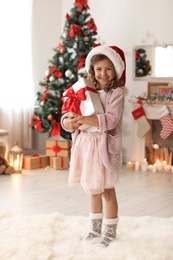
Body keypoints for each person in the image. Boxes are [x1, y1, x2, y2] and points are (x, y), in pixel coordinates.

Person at [61, 45, 126, 247]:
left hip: (103, 147)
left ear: (115, 70)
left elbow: (111, 120)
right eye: (98, 69)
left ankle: (109, 232)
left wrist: (83, 119)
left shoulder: (116, 93)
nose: (103, 73)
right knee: (93, 189)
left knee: (107, 190)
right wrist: (68, 122)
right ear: (92, 70)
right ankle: (93, 230)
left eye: (108, 69)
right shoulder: (83, 90)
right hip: (86, 146)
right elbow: (68, 113)